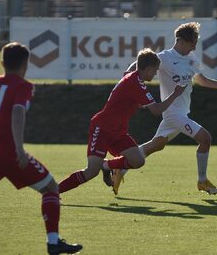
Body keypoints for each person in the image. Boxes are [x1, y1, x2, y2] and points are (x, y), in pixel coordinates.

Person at [110, 22, 217, 195]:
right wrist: (127, 81)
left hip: (181, 113)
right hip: (173, 113)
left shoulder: (191, 58)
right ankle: (202, 181)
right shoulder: (164, 58)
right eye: (192, 43)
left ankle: (120, 167)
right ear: (181, 41)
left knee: (156, 145)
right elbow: (138, 65)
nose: (194, 47)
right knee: (205, 139)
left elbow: (202, 80)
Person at [0, 42, 83, 255]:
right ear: (25, 65)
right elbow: (17, 112)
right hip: (8, 152)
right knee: (51, 188)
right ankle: (53, 242)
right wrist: (19, 150)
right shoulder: (23, 85)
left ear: (2, 63)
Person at [58, 48, 185, 194]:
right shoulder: (136, 83)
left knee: (138, 160)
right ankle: (54, 191)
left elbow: (131, 68)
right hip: (103, 128)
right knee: (91, 171)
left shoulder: (132, 76)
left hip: (118, 131)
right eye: (155, 71)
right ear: (148, 69)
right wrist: (175, 94)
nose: (156, 74)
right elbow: (156, 110)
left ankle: (106, 166)